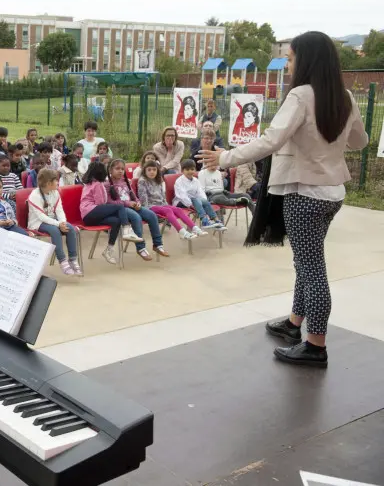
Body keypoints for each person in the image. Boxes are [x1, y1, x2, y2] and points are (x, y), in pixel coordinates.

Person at [199, 31, 368, 367]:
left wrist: (226, 158)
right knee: (306, 262)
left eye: (290, 58)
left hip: (303, 193)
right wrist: (328, 143)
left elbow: (270, 141)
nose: (288, 64)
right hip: (332, 193)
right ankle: (294, 323)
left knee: (311, 268)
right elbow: (360, 141)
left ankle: (315, 345)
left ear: (305, 60)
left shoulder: (301, 97)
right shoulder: (345, 96)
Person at [105, 159, 168, 260]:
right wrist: (127, 203)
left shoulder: (126, 181)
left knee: (151, 215)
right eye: (117, 168)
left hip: (133, 206)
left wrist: (138, 202)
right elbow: (109, 202)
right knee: (136, 218)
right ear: (110, 170)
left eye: (122, 169)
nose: (120, 171)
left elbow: (133, 196)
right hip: (121, 210)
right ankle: (141, 248)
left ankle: (158, 244)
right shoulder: (107, 184)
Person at [28, 168, 81, 276]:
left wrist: (63, 223)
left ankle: (73, 259)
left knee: (70, 229)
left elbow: (59, 210)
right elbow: (41, 217)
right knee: (55, 231)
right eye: (56, 180)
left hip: (53, 220)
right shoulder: (35, 195)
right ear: (48, 183)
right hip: (38, 223)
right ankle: (62, 261)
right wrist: (58, 224)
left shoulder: (55, 192)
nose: (58, 182)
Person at [80, 162, 130, 264]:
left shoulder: (90, 182)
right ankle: (127, 230)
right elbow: (100, 203)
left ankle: (109, 250)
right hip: (90, 212)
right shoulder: (97, 184)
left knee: (116, 221)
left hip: (89, 217)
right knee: (119, 207)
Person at [137, 161, 203, 240]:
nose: (152, 172)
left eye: (154, 170)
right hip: (150, 206)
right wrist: (147, 211)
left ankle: (194, 228)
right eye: (149, 170)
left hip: (161, 204)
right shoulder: (142, 181)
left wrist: (166, 205)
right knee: (168, 210)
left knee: (177, 209)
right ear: (144, 171)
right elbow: (143, 199)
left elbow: (162, 196)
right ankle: (181, 232)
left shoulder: (158, 180)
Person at [173, 159, 225, 231]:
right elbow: (182, 195)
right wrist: (191, 203)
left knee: (205, 201)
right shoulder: (179, 181)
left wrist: (203, 200)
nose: (190, 171)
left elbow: (200, 191)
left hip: (195, 200)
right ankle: (204, 221)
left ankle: (216, 220)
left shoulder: (196, 180)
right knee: (195, 200)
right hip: (181, 201)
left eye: (192, 169)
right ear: (182, 171)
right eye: (187, 169)